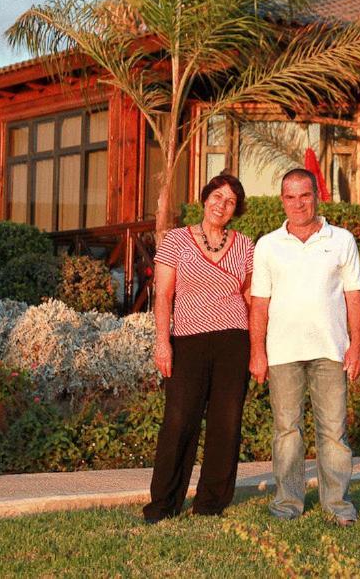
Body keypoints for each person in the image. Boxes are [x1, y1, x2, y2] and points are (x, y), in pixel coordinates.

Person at [249, 168, 360, 527]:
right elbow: (259, 303)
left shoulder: (341, 239)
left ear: (317, 196)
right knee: (287, 431)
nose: (298, 204)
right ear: (281, 200)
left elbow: (354, 296)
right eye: (290, 196)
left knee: (333, 431)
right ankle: (287, 504)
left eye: (305, 195)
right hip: (283, 353)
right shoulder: (268, 244)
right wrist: (257, 352)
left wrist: (357, 345)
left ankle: (337, 506)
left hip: (331, 350)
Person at [143, 174, 254, 523]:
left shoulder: (246, 246)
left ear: (235, 210)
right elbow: (163, 295)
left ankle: (211, 504)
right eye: (217, 196)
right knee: (178, 421)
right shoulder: (176, 240)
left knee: (226, 423)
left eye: (231, 201)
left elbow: (251, 297)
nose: (222, 204)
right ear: (205, 198)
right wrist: (163, 342)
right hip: (188, 341)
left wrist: (258, 347)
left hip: (234, 341)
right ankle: (163, 505)